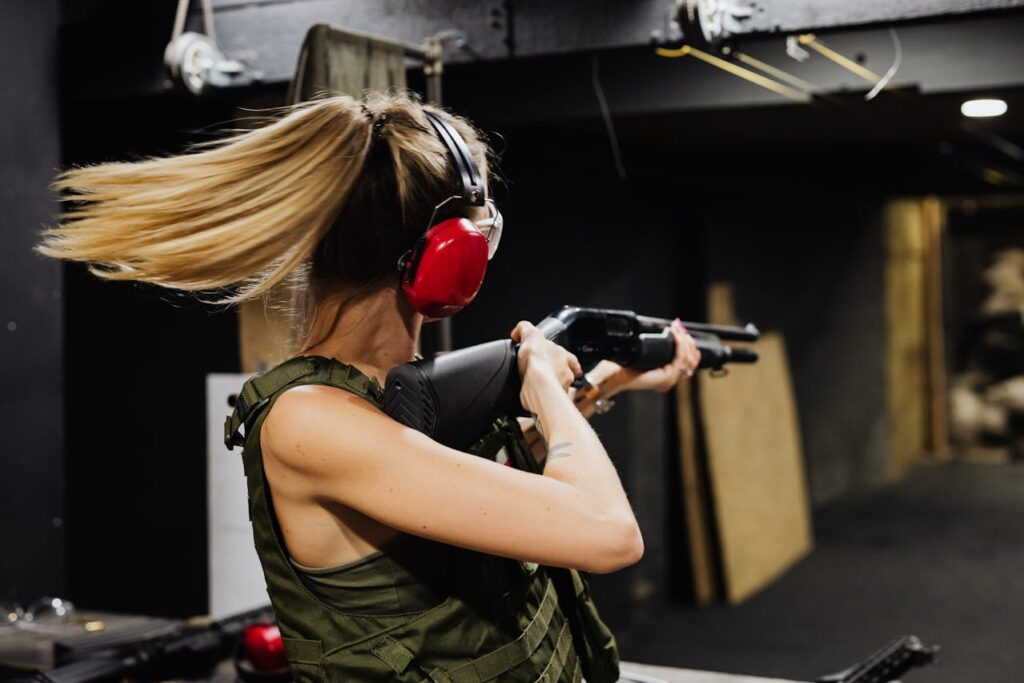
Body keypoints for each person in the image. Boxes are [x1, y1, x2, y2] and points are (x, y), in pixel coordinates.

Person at [39, 91, 700, 682]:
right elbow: (610, 532)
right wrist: (544, 384)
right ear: (452, 254)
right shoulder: (310, 419)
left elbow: (468, 495)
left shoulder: (382, 397)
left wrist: (604, 383)